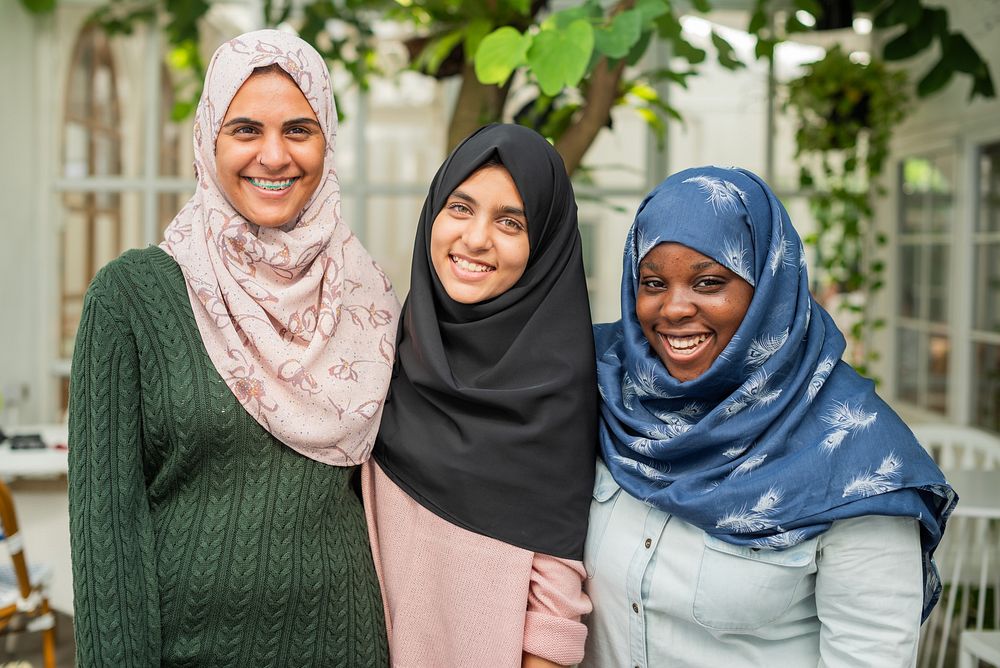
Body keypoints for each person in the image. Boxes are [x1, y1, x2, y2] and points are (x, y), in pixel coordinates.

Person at [68, 30, 398, 666]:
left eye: (299, 130)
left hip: (347, 648)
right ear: (208, 139)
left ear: (327, 142)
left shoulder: (369, 299)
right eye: (245, 129)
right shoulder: (132, 298)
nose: (273, 156)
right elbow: (107, 539)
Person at [582, 166, 957, 666]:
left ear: (769, 288)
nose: (672, 308)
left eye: (709, 281)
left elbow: (869, 656)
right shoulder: (604, 389)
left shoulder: (856, 455)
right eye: (652, 282)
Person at [361, 123, 597, 667]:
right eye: (460, 208)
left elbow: (555, 613)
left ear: (545, 244)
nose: (475, 239)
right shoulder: (377, 354)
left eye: (510, 222)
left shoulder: (557, 388)